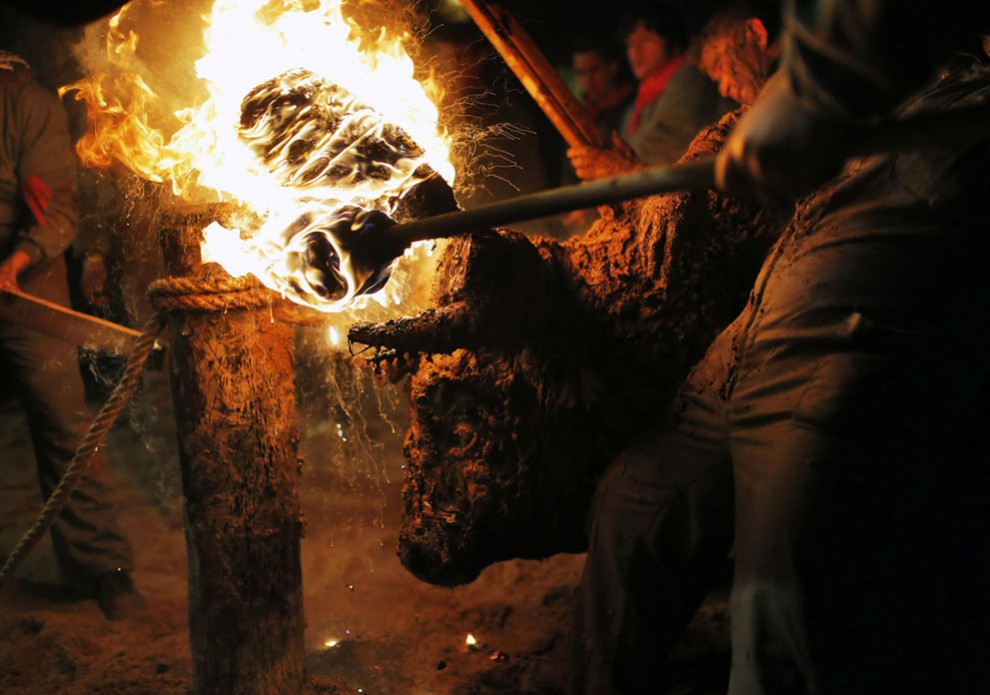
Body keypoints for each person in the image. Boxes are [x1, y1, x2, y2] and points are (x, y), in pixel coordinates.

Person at [570, 3, 990, 693]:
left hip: (843, 329)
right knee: (633, 504)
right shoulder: (841, 88)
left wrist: (814, 92)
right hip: (755, 329)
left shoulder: (952, 113)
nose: (726, 86)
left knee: (782, 605)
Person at [0, 51, 141, 620]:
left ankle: (100, 568)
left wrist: (17, 261)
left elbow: (56, 202)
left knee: (64, 423)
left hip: (24, 276)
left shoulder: (23, 102)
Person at [567, 3, 733, 180]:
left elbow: (668, 140)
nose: (636, 52)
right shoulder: (638, 103)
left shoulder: (690, 76)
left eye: (646, 40)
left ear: (670, 39)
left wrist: (612, 162)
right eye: (630, 44)